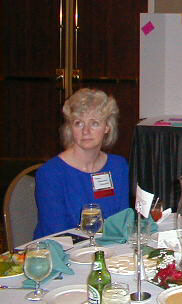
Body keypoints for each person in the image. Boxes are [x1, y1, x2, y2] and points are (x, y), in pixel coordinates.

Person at [34, 88, 129, 238]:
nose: (86, 131)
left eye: (94, 123)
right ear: (70, 128)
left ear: (107, 127)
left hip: (110, 248)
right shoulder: (50, 173)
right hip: (60, 249)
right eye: (78, 123)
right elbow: (56, 234)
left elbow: (122, 225)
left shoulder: (118, 167)